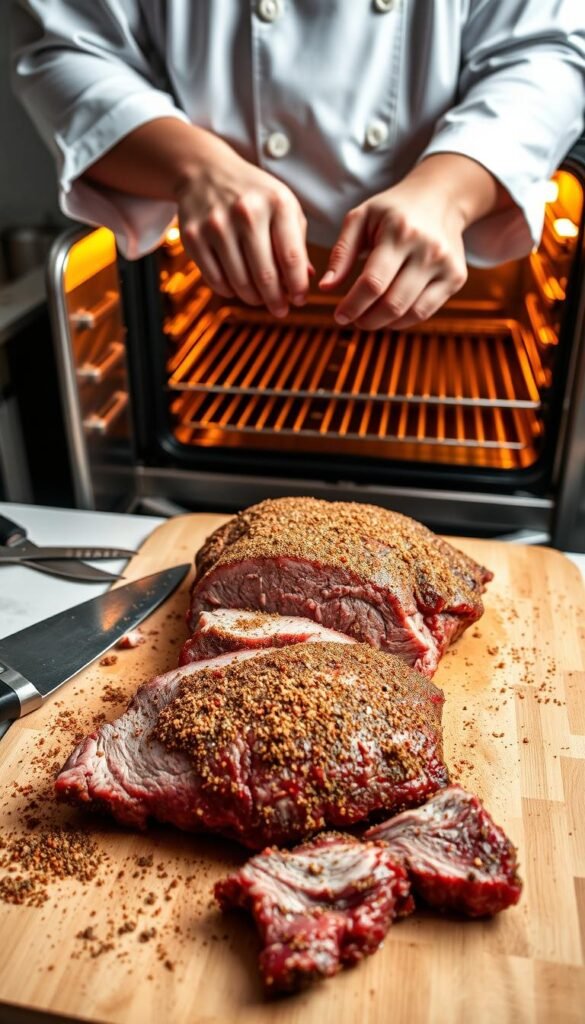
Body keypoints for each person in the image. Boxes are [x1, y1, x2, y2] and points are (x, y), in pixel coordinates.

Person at [11, 1, 585, 329]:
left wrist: (448, 192)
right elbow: (64, 46)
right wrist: (197, 169)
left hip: (460, 297)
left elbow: (550, 52)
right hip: (219, 307)